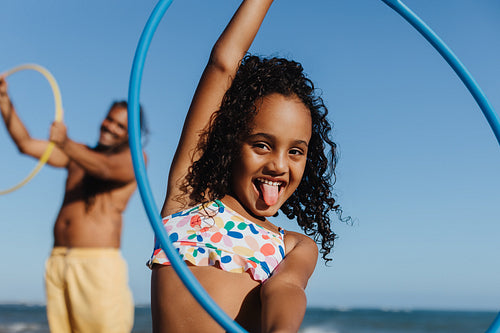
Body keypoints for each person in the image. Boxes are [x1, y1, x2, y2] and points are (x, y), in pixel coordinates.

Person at [148, 0, 347, 332]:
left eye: (296, 152)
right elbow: (223, 64)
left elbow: (285, 289)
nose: (279, 165)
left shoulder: (295, 246)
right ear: (229, 142)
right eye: (262, 145)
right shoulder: (189, 196)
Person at [0, 76, 148, 333]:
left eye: (120, 126)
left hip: (97, 266)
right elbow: (25, 144)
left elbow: (105, 169)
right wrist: (3, 100)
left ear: (130, 134)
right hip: (57, 262)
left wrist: (65, 143)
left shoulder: (134, 158)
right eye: (109, 119)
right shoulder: (76, 155)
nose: (110, 127)